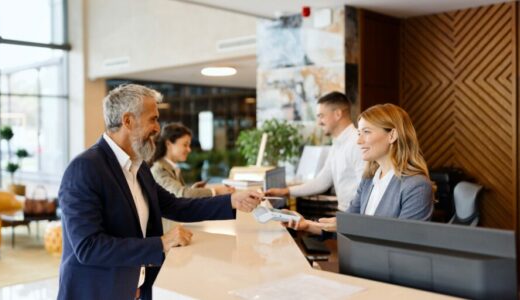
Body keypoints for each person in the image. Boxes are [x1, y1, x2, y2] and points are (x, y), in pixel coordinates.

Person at [57, 84, 262, 300]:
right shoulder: (84, 169)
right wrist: (162, 243)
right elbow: (89, 247)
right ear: (128, 121)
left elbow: (175, 205)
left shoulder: (139, 166)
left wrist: (231, 200)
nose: (158, 128)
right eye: (153, 119)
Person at [283, 103, 434, 234]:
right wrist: (306, 224)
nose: (359, 141)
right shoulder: (369, 180)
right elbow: (345, 225)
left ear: (392, 135)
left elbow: (405, 240)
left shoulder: (416, 186)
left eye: (366, 132)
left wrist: (351, 226)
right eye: (359, 133)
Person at [266, 91, 365, 211]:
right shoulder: (337, 144)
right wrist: (286, 192)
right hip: (345, 215)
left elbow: (365, 190)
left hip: (354, 217)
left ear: (338, 114)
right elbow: (322, 181)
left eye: (321, 116)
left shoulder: (357, 143)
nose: (318, 122)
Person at [150, 123, 234, 197]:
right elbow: (182, 194)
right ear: (168, 144)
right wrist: (216, 191)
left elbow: (177, 194)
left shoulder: (171, 167)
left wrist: (193, 190)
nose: (189, 150)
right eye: (185, 145)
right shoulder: (159, 169)